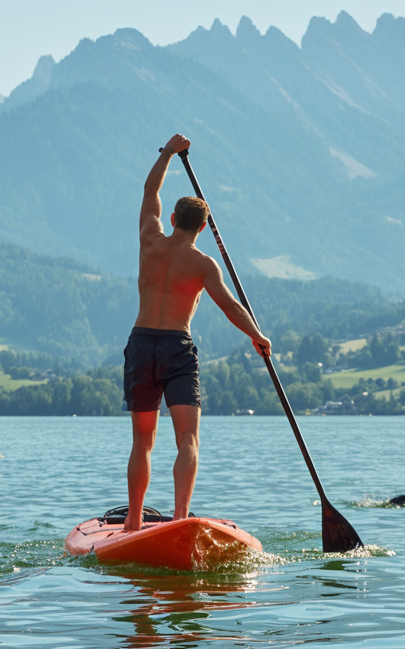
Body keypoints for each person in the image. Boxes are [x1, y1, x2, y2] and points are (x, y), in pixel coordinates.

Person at [122, 133, 272, 532]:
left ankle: (133, 522)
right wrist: (257, 336)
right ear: (204, 227)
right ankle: (179, 518)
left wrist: (169, 152)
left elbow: (150, 191)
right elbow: (230, 307)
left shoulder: (149, 239)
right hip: (176, 346)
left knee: (142, 440)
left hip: (141, 344)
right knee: (187, 437)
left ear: (172, 220)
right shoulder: (204, 264)